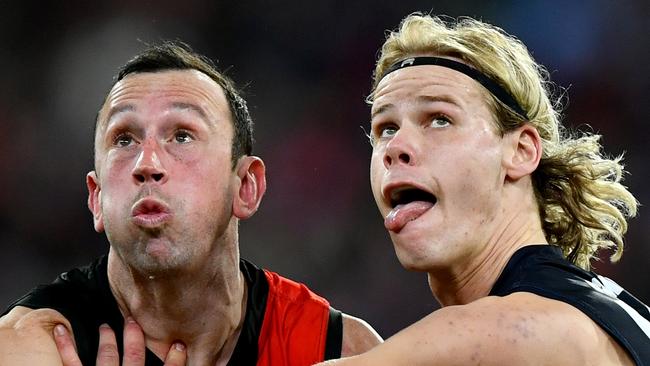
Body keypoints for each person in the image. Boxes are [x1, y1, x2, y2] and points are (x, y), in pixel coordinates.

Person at [0, 41, 382, 365]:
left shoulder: (337, 350)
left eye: (182, 136)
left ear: (246, 186)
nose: (147, 164)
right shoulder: (33, 346)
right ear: (97, 198)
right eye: (124, 139)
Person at [318, 13, 650, 366]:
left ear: (521, 151)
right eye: (385, 128)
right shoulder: (599, 310)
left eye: (439, 119)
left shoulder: (509, 331)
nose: (396, 145)